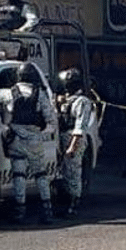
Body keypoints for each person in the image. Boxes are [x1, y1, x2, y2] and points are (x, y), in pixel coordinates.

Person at [3, 62, 60, 223]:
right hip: (34, 139)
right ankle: (47, 210)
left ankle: (20, 211)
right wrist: (41, 134)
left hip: (16, 139)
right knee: (41, 175)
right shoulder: (40, 94)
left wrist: (8, 131)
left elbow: (7, 119)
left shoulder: (11, 92)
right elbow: (51, 120)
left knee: (18, 176)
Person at [55, 67, 96, 217]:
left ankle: (73, 204)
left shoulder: (82, 102)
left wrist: (72, 147)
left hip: (74, 139)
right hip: (63, 138)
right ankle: (65, 203)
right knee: (64, 172)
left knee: (73, 172)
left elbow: (80, 127)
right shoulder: (67, 100)